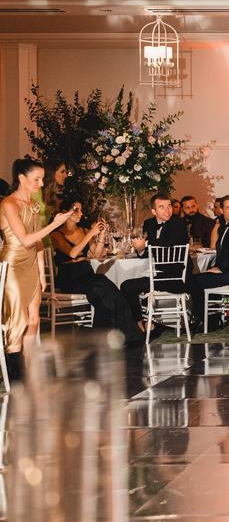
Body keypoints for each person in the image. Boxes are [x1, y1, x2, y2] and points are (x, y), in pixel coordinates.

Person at [1, 158, 74, 380]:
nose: (41, 184)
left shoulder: (32, 204)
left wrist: (41, 272)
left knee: (34, 319)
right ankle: (15, 374)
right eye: (37, 179)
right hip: (13, 265)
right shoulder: (8, 204)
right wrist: (54, 224)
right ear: (21, 178)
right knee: (18, 320)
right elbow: (24, 239)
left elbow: (38, 243)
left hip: (31, 264)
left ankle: (29, 366)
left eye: (42, 179)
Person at [49, 199, 139, 339]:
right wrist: (91, 234)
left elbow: (96, 255)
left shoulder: (84, 231)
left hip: (87, 274)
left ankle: (122, 334)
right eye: (76, 209)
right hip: (70, 278)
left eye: (80, 209)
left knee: (110, 291)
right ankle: (110, 334)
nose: (80, 213)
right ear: (65, 212)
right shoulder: (56, 234)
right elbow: (72, 253)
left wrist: (101, 235)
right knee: (102, 287)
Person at [121, 194, 190, 332]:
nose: (167, 210)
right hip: (157, 275)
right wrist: (140, 249)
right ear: (154, 211)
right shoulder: (149, 224)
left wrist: (145, 244)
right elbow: (147, 253)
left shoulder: (178, 223)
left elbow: (167, 243)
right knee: (127, 285)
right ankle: (143, 323)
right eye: (162, 207)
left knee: (127, 286)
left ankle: (140, 326)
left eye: (169, 206)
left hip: (174, 277)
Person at [187, 195, 229, 325]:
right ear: (221, 210)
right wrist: (217, 266)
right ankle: (210, 317)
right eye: (228, 208)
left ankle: (204, 319)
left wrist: (220, 268)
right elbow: (223, 252)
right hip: (228, 270)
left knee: (196, 280)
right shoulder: (223, 226)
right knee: (194, 278)